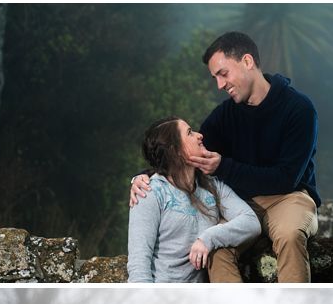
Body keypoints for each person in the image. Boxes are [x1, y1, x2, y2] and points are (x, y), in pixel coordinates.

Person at [130, 32, 320, 282]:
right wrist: (144, 177)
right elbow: (184, 153)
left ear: (247, 61)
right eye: (215, 78)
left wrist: (224, 167)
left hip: (287, 197)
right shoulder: (223, 117)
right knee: (215, 248)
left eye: (223, 73)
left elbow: (286, 178)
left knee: (289, 234)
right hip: (239, 203)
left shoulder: (299, 109)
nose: (220, 85)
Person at [127, 117, 261, 283]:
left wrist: (208, 238)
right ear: (175, 150)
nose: (199, 136)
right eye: (190, 133)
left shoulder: (213, 185)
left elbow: (251, 222)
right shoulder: (149, 192)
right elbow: (139, 265)